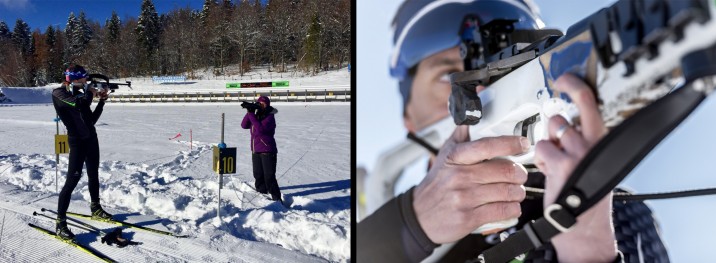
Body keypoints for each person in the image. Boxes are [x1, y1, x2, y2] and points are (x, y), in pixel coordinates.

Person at [357, 0, 668, 262]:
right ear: (408, 115)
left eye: (498, 62)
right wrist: (410, 226)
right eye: (447, 73)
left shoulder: (612, 212)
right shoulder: (375, 231)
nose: (475, 87)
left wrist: (587, 244)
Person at [52, 64, 113, 240]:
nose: (86, 81)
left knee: (94, 174)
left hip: (91, 139)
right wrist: (90, 92)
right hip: (77, 142)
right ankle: (60, 224)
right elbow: (80, 103)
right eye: (83, 79)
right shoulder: (59, 93)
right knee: (72, 180)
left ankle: (96, 208)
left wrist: (101, 101)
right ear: (74, 79)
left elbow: (91, 119)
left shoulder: (80, 93)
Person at [240, 96, 282, 202]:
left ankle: (277, 199)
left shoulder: (270, 116)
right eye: (259, 103)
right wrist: (249, 111)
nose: (261, 105)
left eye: (263, 103)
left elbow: (261, 130)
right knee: (258, 174)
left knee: (269, 176)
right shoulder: (257, 115)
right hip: (256, 149)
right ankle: (261, 194)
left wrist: (251, 114)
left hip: (267, 150)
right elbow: (244, 125)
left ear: (267, 104)